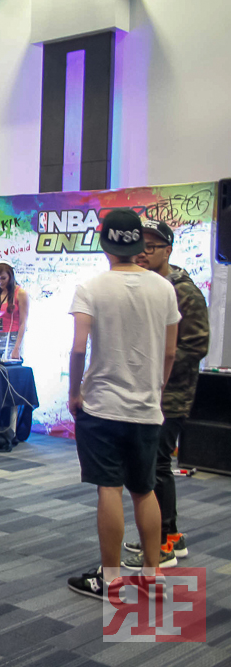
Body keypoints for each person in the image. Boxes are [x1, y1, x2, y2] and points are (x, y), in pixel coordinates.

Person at [66, 208, 180, 599]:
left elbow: (78, 348)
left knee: (109, 490)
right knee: (144, 491)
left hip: (101, 407)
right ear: (138, 244)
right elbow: (170, 352)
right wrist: (156, 389)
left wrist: (74, 393)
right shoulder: (164, 288)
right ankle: (153, 575)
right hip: (147, 408)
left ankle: (111, 579)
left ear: (105, 244)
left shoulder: (91, 287)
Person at [121, 220, 209, 570]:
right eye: (139, 245)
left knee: (155, 465)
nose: (142, 253)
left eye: (151, 246)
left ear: (168, 251)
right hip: (146, 392)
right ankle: (169, 535)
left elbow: (197, 345)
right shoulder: (146, 285)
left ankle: (160, 547)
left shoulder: (183, 291)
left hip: (170, 395)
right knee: (155, 465)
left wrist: (157, 364)